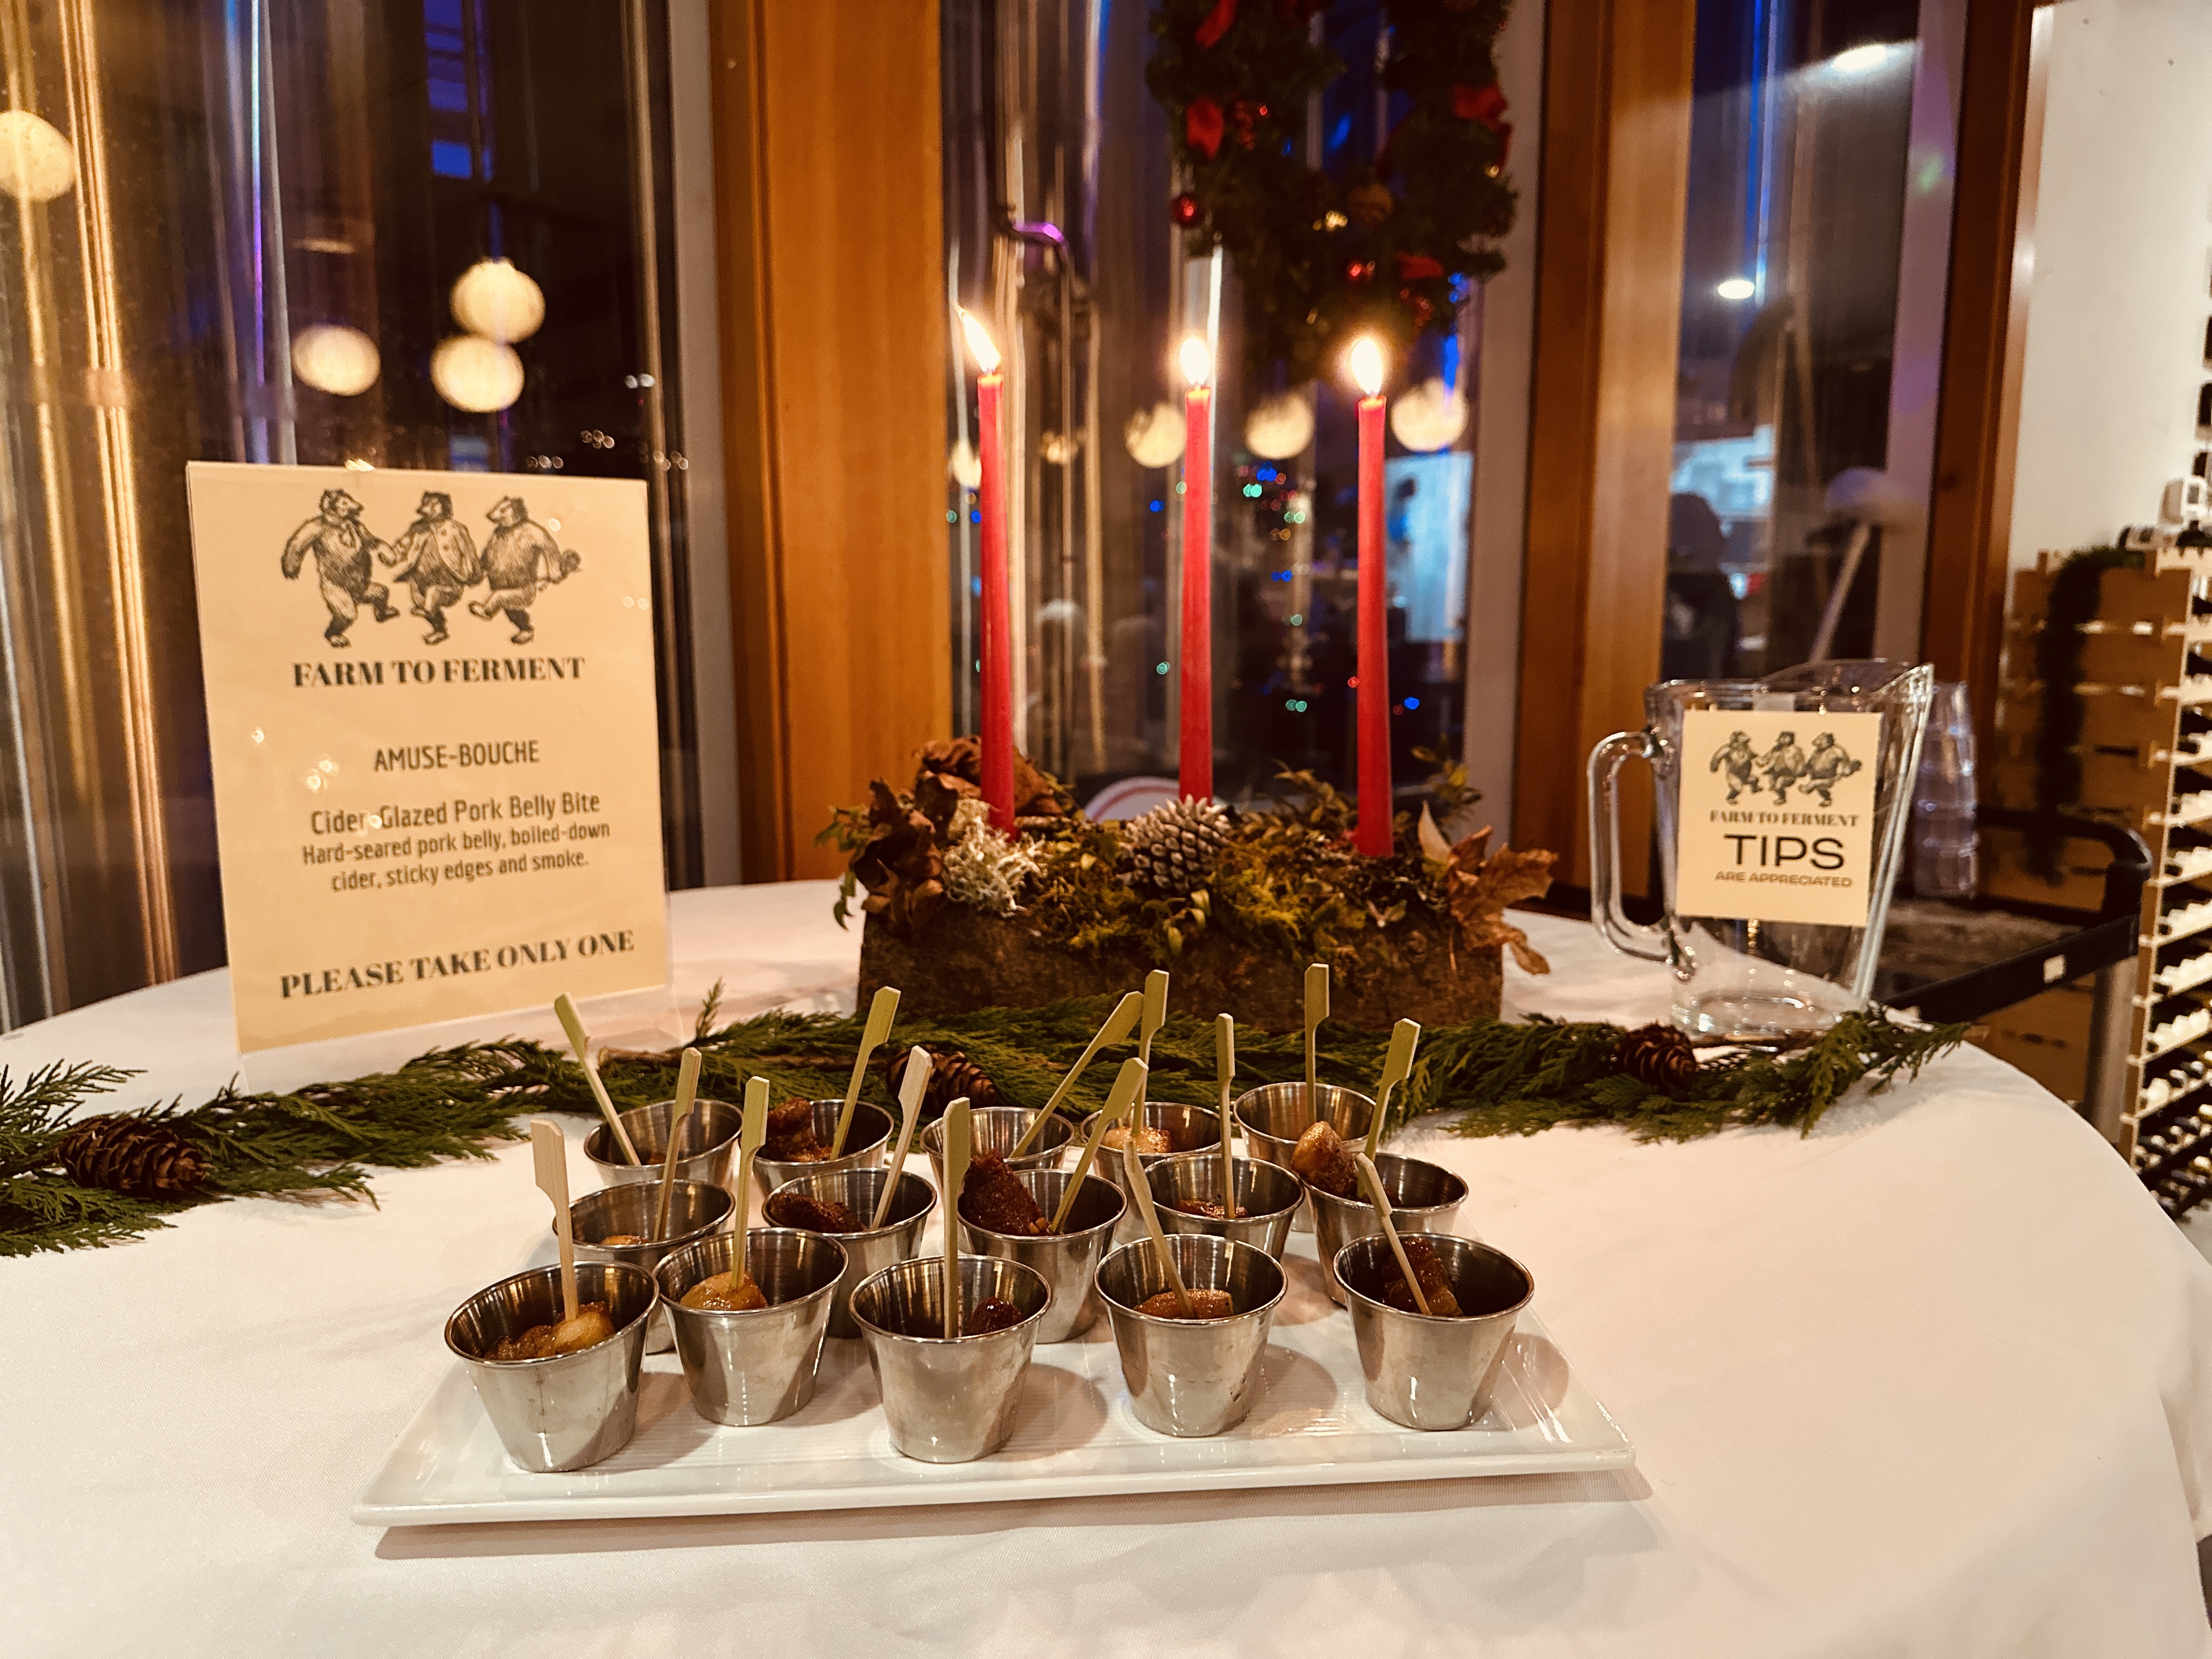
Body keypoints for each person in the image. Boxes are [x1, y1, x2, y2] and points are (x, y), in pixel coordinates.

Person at [279, 489, 397, 648]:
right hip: (335, 585)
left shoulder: (354, 526)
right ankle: (333, 634)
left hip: (359, 582)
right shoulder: (317, 527)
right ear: (332, 507)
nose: (348, 507)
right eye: (343, 503)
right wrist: (291, 566)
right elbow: (297, 545)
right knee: (347, 614)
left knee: (382, 593)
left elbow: (372, 541)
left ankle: (382, 613)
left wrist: (385, 550)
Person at [469, 495, 578, 645]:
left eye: (503, 510)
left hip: (522, 587)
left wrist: (555, 570)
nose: (495, 513)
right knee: (512, 611)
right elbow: (488, 554)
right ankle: (526, 630)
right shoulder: (498, 533)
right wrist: (480, 569)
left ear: (513, 511)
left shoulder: (531, 531)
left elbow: (548, 546)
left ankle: (487, 612)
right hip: (500, 583)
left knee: (500, 597)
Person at [382, 490, 481, 645]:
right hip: (421, 579)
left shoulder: (455, 529)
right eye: (429, 504)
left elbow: (468, 552)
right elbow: (404, 545)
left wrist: (472, 574)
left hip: (448, 582)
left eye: (436, 505)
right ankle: (439, 630)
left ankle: (430, 612)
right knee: (423, 602)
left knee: (433, 595)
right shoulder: (418, 528)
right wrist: (392, 557)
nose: (432, 508)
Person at [1798, 732, 1862, 808]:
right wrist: (1805, 769)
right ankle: (1827, 799)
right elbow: (1811, 761)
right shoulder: (1818, 751)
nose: (1820, 741)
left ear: (1828, 740)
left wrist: (1842, 772)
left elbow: (1844, 762)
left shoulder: (1837, 751)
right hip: (1815, 776)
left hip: (1829, 778)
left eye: (1823, 739)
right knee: (1820, 789)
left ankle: (1807, 789)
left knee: (1814, 784)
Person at [1755, 730, 1804, 805]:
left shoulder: (1795, 750)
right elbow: (1767, 757)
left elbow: (1800, 761)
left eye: (1788, 738)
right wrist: (1761, 762)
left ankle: (1782, 798)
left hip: (1789, 773)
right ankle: (1777, 790)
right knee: (1773, 785)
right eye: (1783, 738)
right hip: (1775, 772)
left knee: (1779, 784)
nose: (1785, 740)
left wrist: (1800, 771)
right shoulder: (1776, 749)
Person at [1709, 730, 1756, 804]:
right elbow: (1717, 756)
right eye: (1742, 742)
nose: (1745, 744)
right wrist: (1714, 766)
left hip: (1745, 775)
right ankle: (1730, 798)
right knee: (1738, 788)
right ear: (1736, 741)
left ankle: (1754, 789)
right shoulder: (1728, 749)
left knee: (1754, 780)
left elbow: (1753, 756)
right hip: (1733, 775)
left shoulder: (1746, 749)